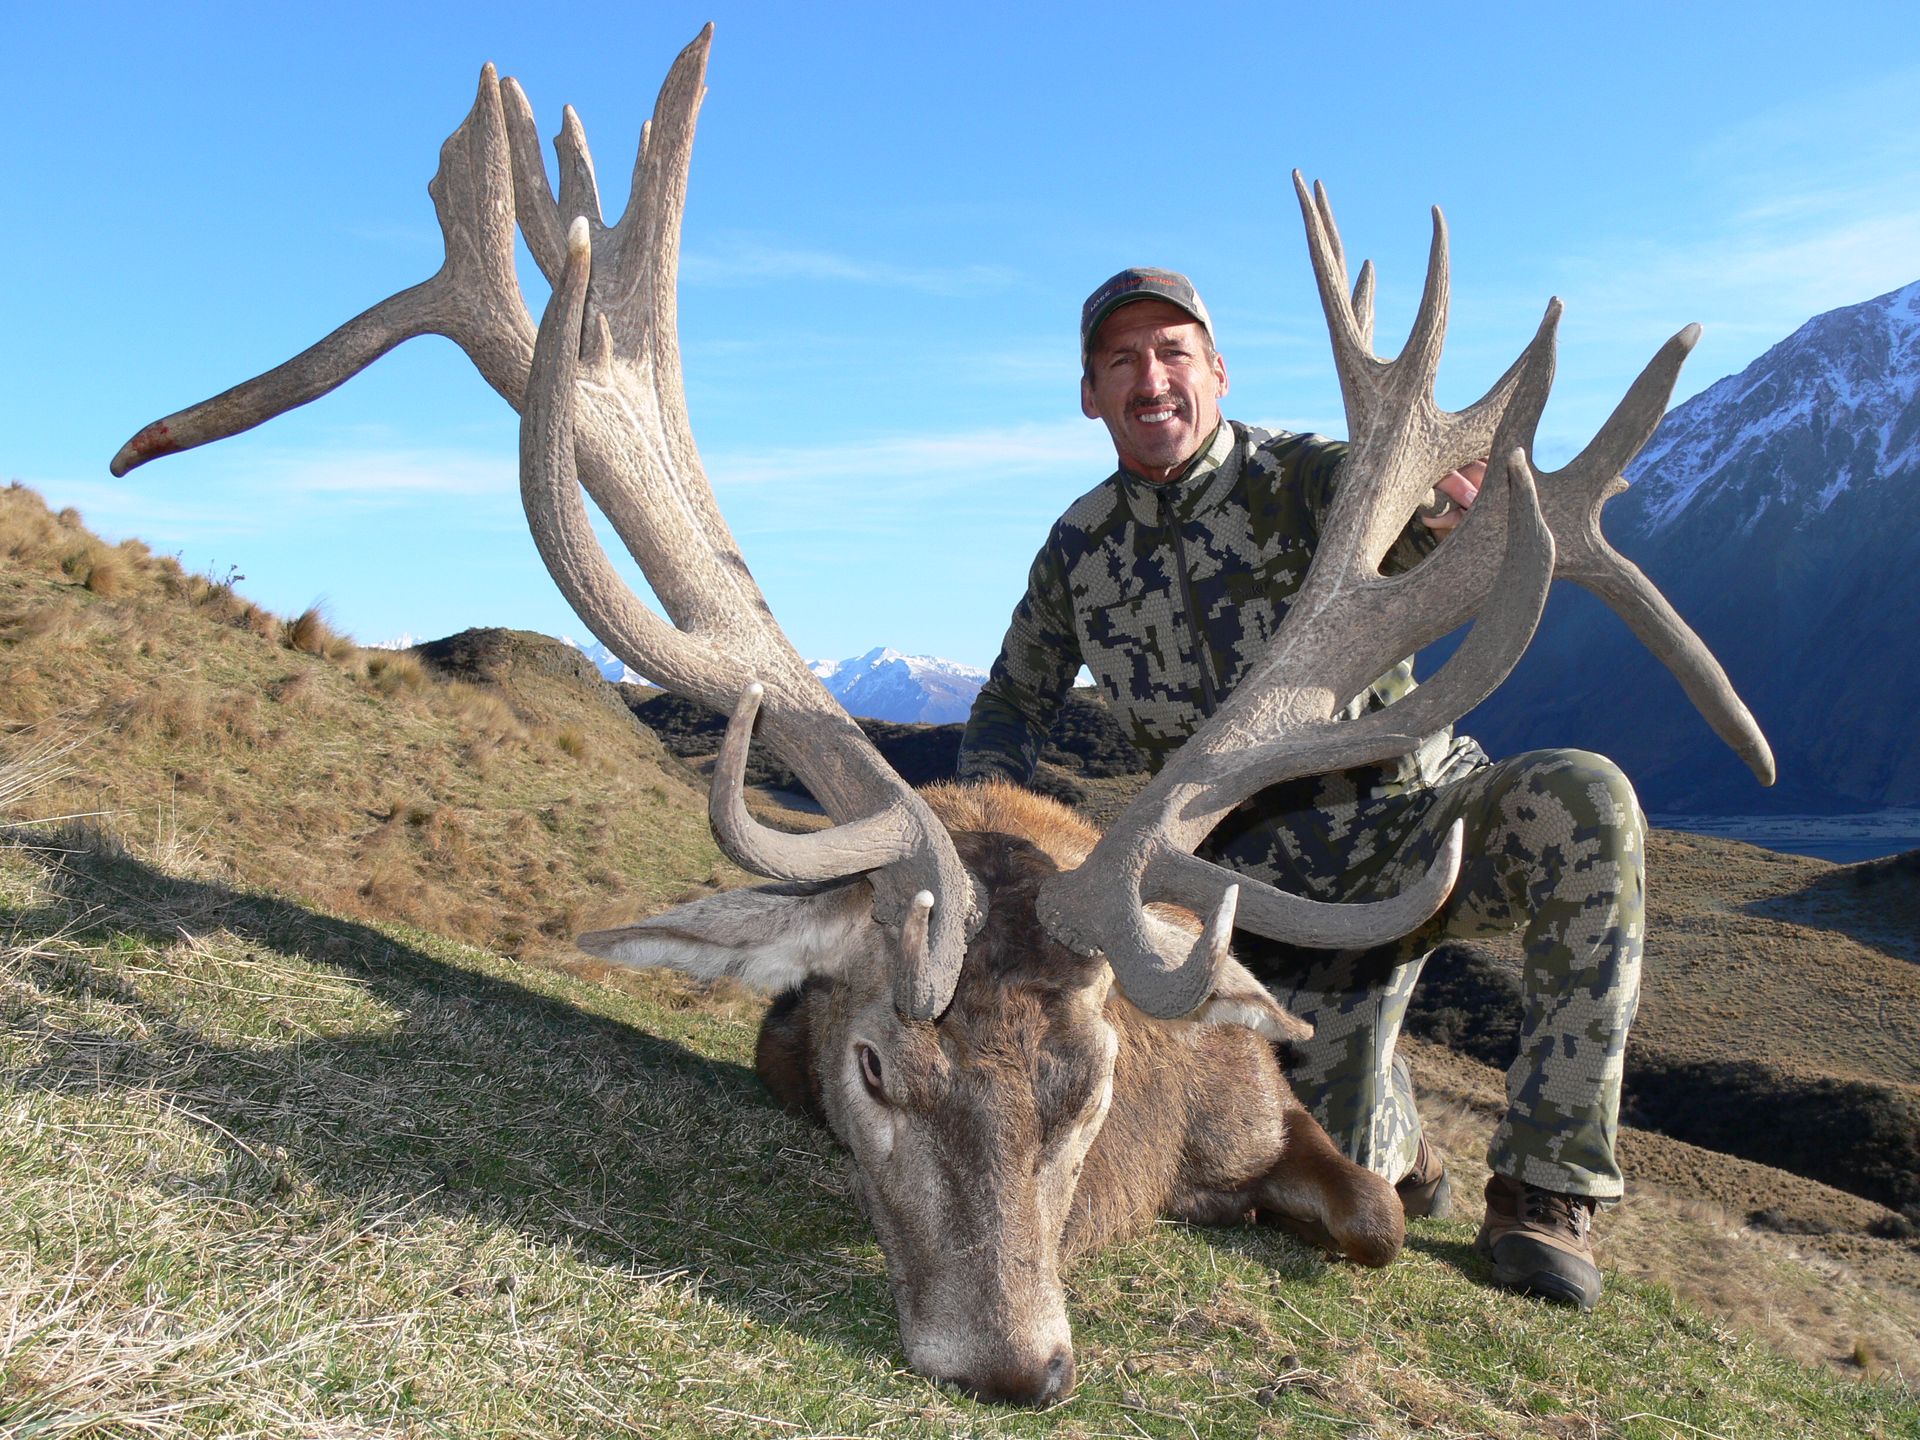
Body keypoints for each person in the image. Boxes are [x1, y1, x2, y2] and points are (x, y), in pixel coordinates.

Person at [957, 267, 1646, 1311]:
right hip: (1256, 906)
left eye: (1173, 352)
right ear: (1091, 394)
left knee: (1584, 802)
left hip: (1419, 819)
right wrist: (972, 852)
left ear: (1218, 373)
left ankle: (1548, 1192)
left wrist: (1458, 513)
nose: (1152, 378)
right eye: (1122, 360)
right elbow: (1013, 705)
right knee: (1315, 1170)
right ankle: (1404, 1139)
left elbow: (1421, 517)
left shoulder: (1318, 478)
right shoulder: (1077, 552)